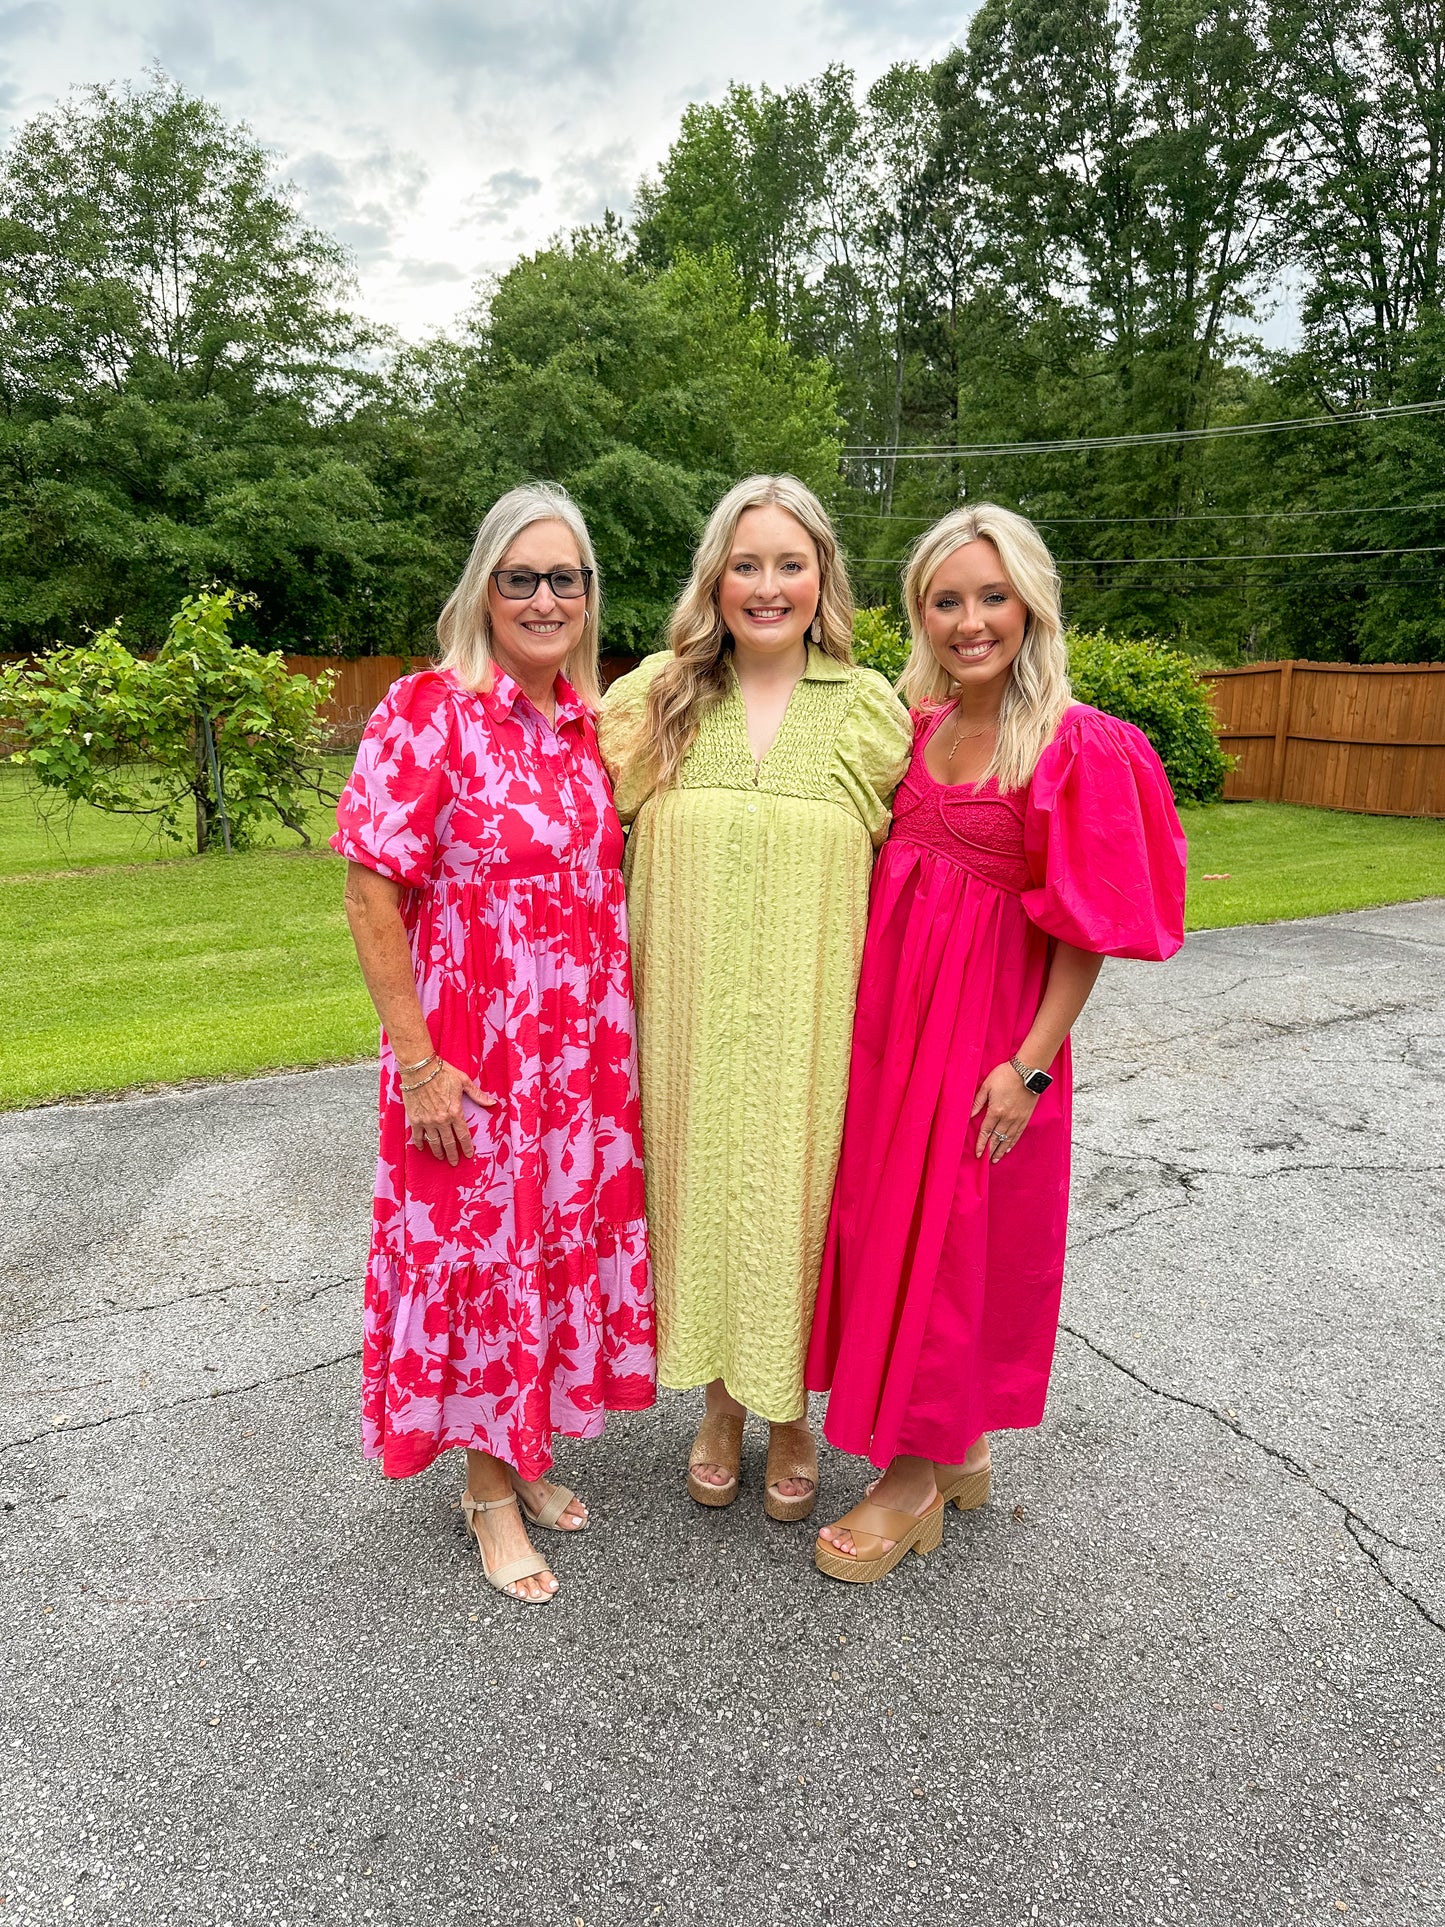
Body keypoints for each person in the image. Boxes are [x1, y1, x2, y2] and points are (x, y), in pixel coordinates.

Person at [806, 504, 1186, 1583]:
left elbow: (1084, 930)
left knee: (955, 1243)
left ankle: (910, 1479)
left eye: (991, 596)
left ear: (1030, 603)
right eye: (946, 599)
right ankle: (956, 1445)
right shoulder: (914, 726)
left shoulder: (1077, 744)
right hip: (893, 1033)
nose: (969, 620)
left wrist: (1027, 1064)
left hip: (988, 1040)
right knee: (891, 1229)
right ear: (919, 612)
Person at [333, 483, 654, 1607]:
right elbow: (371, 893)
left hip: (574, 1063)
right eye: (520, 577)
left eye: (564, 578)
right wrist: (419, 1061)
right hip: (470, 1060)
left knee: (545, 1256)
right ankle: (485, 1495)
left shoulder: (583, 722)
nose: (544, 597)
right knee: (481, 1267)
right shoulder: (426, 712)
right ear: (483, 588)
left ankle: (521, 1449)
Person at [597, 475, 912, 1521]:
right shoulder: (658, 697)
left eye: (788, 563)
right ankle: (721, 1405)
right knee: (699, 1195)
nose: (766, 586)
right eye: (745, 564)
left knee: (799, 1201)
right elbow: (565, 825)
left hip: (813, 1015)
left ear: (821, 575)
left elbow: (928, 858)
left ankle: (792, 1416)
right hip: (684, 1011)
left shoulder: (866, 710)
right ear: (714, 579)